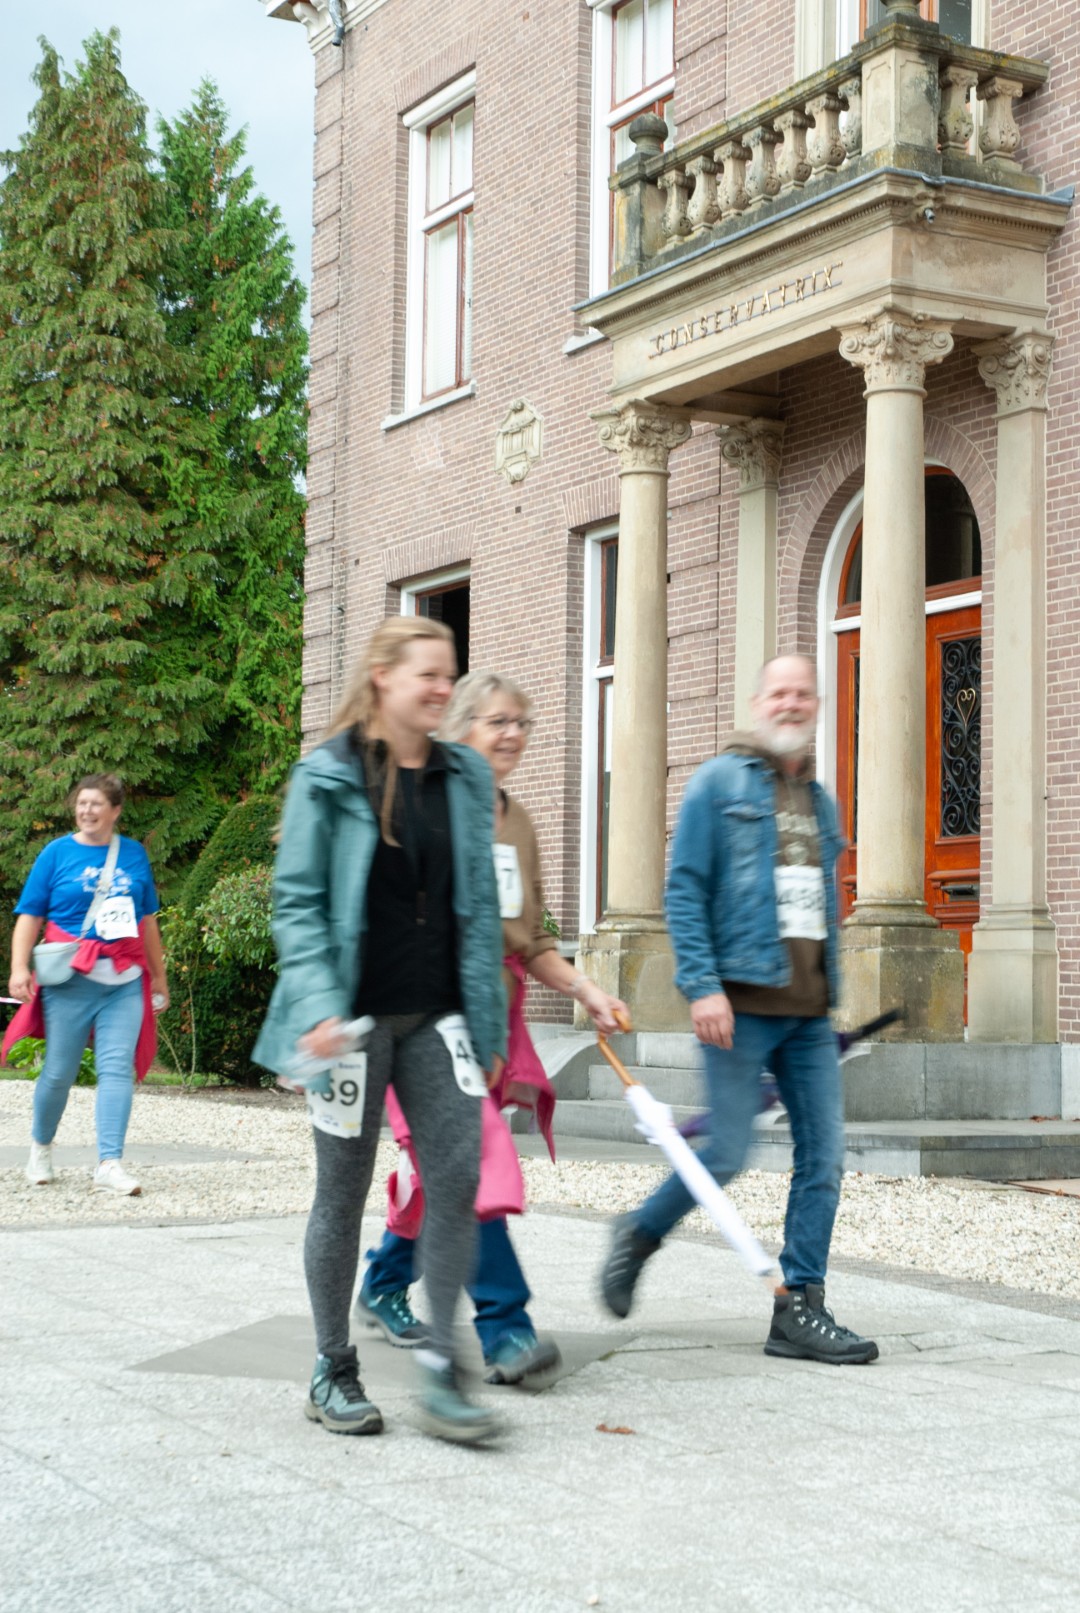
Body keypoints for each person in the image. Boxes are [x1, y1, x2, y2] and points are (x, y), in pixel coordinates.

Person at [253, 618, 508, 1444]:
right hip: (350, 1024)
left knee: (456, 1178)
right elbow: (297, 903)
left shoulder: (464, 774)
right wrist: (318, 1004)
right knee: (343, 1192)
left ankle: (442, 1368)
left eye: (449, 674)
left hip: (438, 1016)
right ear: (382, 675)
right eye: (428, 673)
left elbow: (479, 906)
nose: (442, 687)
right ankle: (333, 1365)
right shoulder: (328, 774)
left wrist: (489, 1022)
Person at [599, 654, 878, 1365]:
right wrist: (702, 985)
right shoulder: (717, 783)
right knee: (725, 1151)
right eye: (779, 692)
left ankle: (799, 1307)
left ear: (816, 705)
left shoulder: (820, 801)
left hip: (808, 1014)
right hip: (740, 1006)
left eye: (803, 693)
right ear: (757, 703)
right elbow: (685, 888)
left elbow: (818, 908)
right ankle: (640, 1232)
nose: (791, 703)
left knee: (824, 1157)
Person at [357, 671, 626, 1386]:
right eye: (497, 720)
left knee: (444, 1170)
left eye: (521, 722)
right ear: (460, 727)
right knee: (472, 1162)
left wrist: (586, 990)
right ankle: (507, 1331)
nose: (512, 735)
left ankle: (383, 1280)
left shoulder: (519, 822)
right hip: (425, 1016)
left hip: (494, 1019)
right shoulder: (424, 806)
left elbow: (528, 939)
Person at [5, 774, 169, 1196]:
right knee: (59, 1072)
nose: (87, 810)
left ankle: (109, 1164)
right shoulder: (56, 853)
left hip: (124, 981)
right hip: (70, 980)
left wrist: (159, 976)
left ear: (115, 811)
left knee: (116, 1069)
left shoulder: (133, 854)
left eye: (96, 804)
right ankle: (41, 1149)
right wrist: (19, 967)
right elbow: (30, 915)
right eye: (82, 803)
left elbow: (147, 920)